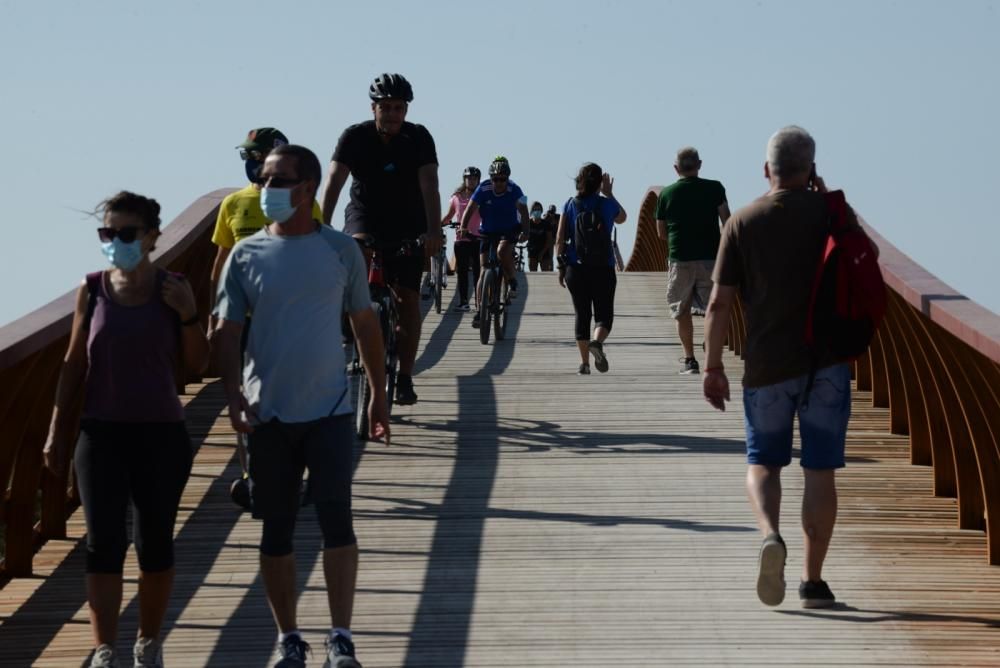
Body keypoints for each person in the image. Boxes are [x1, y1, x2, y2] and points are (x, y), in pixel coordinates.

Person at [214, 145, 388, 668]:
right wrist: (230, 394)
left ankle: (341, 636)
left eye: (277, 180)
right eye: (263, 179)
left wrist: (378, 392)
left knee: (338, 521)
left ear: (308, 187)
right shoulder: (246, 255)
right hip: (268, 413)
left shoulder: (339, 250)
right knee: (276, 529)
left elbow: (364, 322)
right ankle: (289, 638)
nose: (266, 189)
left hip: (331, 408)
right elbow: (225, 331)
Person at [703, 126, 874, 609]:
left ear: (766, 170)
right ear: (811, 168)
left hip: (768, 365)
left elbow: (718, 303)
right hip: (827, 364)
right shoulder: (832, 217)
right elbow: (867, 259)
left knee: (763, 464)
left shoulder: (742, 222)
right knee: (820, 473)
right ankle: (813, 581)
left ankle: (769, 535)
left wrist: (712, 366)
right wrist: (832, 205)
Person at [43, 191, 209, 668]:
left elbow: (197, 365)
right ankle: (104, 649)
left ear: (152, 237)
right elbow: (74, 363)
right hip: (101, 434)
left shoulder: (174, 287)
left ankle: (148, 643)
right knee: (102, 542)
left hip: (161, 435)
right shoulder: (92, 288)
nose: (116, 241)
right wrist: (58, 430)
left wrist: (189, 315)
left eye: (126, 233)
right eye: (107, 233)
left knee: (154, 542)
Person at [208, 127, 323, 510]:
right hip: (243, 320)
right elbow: (219, 266)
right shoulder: (232, 204)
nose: (251, 163)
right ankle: (251, 476)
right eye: (248, 156)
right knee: (243, 397)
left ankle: (297, 473)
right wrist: (214, 315)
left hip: (292, 321)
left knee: (295, 397)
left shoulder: (307, 202)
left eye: (257, 156)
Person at [321, 73, 441, 406]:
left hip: (409, 220)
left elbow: (430, 184)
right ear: (373, 108)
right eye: (385, 107)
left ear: (406, 110)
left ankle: (403, 377)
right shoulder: (355, 136)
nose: (391, 114)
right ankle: (352, 320)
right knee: (355, 252)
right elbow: (334, 179)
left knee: (407, 301)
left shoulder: (418, 138)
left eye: (398, 108)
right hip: (365, 214)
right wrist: (320, 226)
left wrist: (433, 231)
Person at [655, 147, 730, 374]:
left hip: (680, 258)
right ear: (699, 164)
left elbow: (660, 233)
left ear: (676, 168)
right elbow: (727, 221)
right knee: (712, 308)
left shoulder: (666, 194)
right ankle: (710, 344)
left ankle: (690, 360)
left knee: (682, 309)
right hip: (710, 258)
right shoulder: (715, 188)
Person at [555, 163, 627, 374]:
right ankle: (597, 341)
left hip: (576, 269)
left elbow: (560, 238)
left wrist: (561, 267)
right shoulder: (605, 204)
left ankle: (585, 363)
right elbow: (622, 218)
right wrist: (609, 194)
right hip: (603, 267)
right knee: (604, 315)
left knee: (582, 314)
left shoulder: (569, 204)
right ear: (599, 183)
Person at [459, 156, 530, 329]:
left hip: (509, 229)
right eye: (495, 179)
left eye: (502, 179)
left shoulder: (514, 190)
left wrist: (526, 231)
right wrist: (463, 227)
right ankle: (479, 310)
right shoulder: (483, 188)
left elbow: (524, 210)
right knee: (483, 270)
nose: (498, 183)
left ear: (507, 178)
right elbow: (471, 207)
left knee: (502, 252)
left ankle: (512, 280)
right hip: (488, 230)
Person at [442, 166, 482, 311]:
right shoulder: (456, 197)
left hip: (477, 238)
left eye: (474, 178)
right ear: (464, 179)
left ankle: (479, 302)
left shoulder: (480, 197)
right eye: (468, 178)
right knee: (462, 272)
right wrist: (438, 224)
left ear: (478, 180)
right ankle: (464, 301)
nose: (471, 181)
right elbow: (449, 216)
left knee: (478, 272)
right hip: (460, 240)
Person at [527, 201, 554, 272]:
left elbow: (549, 240)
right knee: (532, 274)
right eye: (535, 209)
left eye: (538, 209)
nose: (537, 211)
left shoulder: (546, 224)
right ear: (532, 211)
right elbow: (522, 234)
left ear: (541, 211)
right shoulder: (528, 223)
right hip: (532, 251)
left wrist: (542, 253)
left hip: (544, 251)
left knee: (545, 274)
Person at [542, 204, 559, 271]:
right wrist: (547, 216)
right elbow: (542, 221)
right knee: (550, 255)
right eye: (551, 212)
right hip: (550, 238)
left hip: (557, 237)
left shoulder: (558, 217)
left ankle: (560, 267)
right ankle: (551, 268)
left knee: (558, 254)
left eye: (553, 212)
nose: (552, 213)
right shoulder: (546, 216)